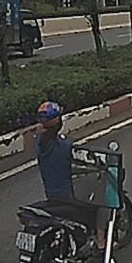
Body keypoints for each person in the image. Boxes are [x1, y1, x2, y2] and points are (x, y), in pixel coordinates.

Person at [34, 101, 108, 250]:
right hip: (69, 195)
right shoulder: (65, 146)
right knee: (102, 199)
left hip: (51, 195)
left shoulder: (39, 144)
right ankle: (101, 240)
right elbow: (79, 162)